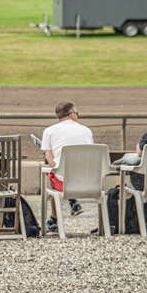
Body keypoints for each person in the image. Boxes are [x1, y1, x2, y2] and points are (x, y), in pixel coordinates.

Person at [41, 101, 93, 235]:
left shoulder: (49, 131)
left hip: (64, 182)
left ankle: (54, 222)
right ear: (72, 115)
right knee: (58, 174)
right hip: (90, 181)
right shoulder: (87, 131)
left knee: (52, 174)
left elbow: (51, 161)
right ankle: (72, 202)